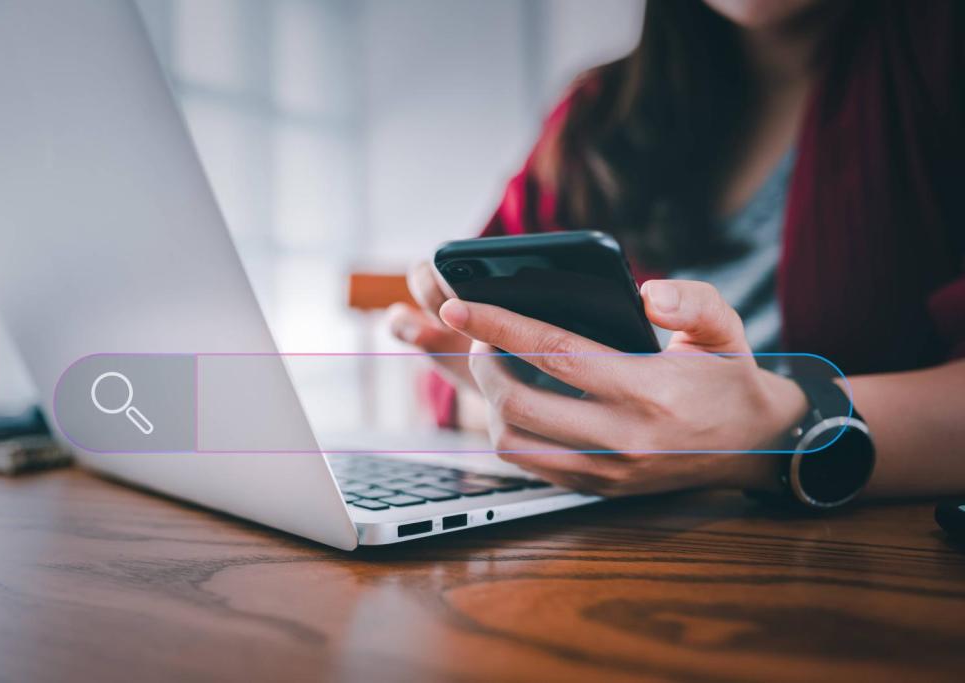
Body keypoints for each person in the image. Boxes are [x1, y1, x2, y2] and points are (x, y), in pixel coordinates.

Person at [387, 0, 965, 501]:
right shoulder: (596, 117)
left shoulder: (936, 60)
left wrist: (770, 431)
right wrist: (516, 406)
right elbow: (445, 360)